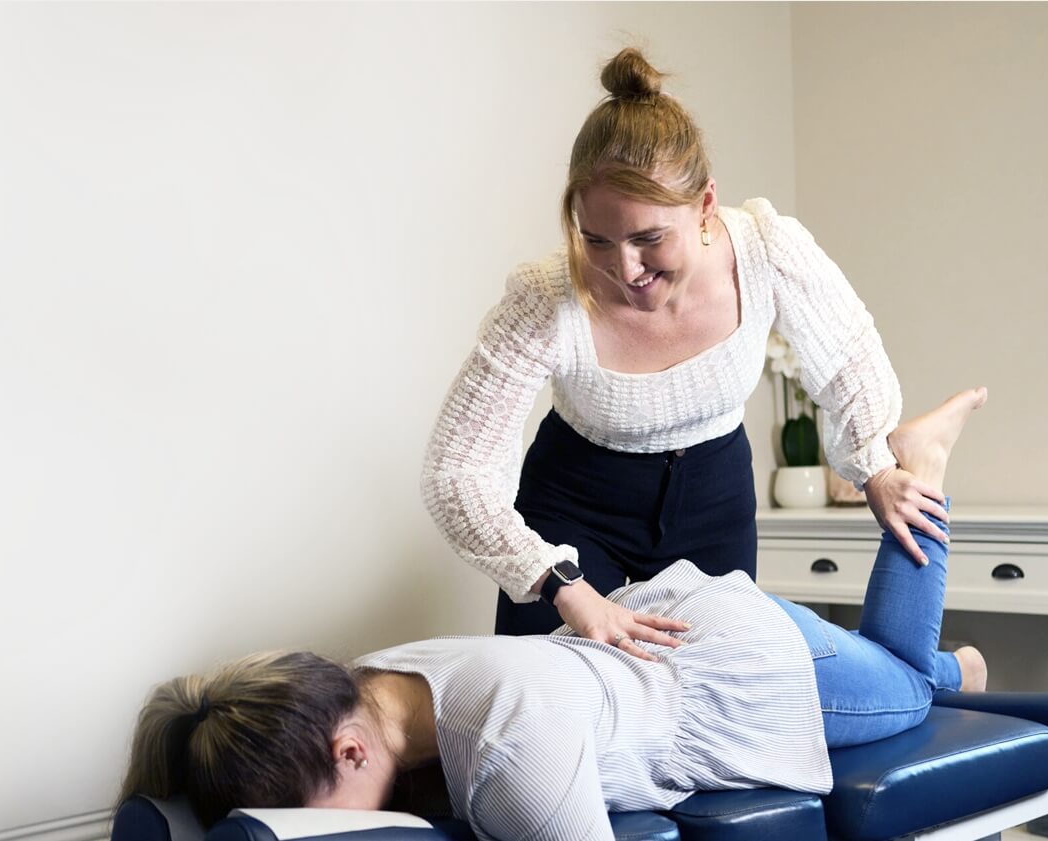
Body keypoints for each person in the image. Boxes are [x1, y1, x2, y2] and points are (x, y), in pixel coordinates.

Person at [122, 389, 992, 837]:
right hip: (660, 627)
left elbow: (522, 753)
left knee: (907, 688)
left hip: (738, 671)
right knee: (905, 669)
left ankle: (922, 468)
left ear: (348, 750)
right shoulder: (374, 680)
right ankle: (964, 670)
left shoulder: (510, 752)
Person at [420, 48, 948, 645]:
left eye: (648, 238)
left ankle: (955, 671)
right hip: (575, 500)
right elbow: (456, 470)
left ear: (704, 206)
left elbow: (847, 353)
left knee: (715, 698)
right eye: (596, 240)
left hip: (712, 493)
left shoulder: (766, 252)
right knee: (554, 696)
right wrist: (560, 582)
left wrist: (874, 466)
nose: (624, 268)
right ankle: (957, 673)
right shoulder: (547, 300)